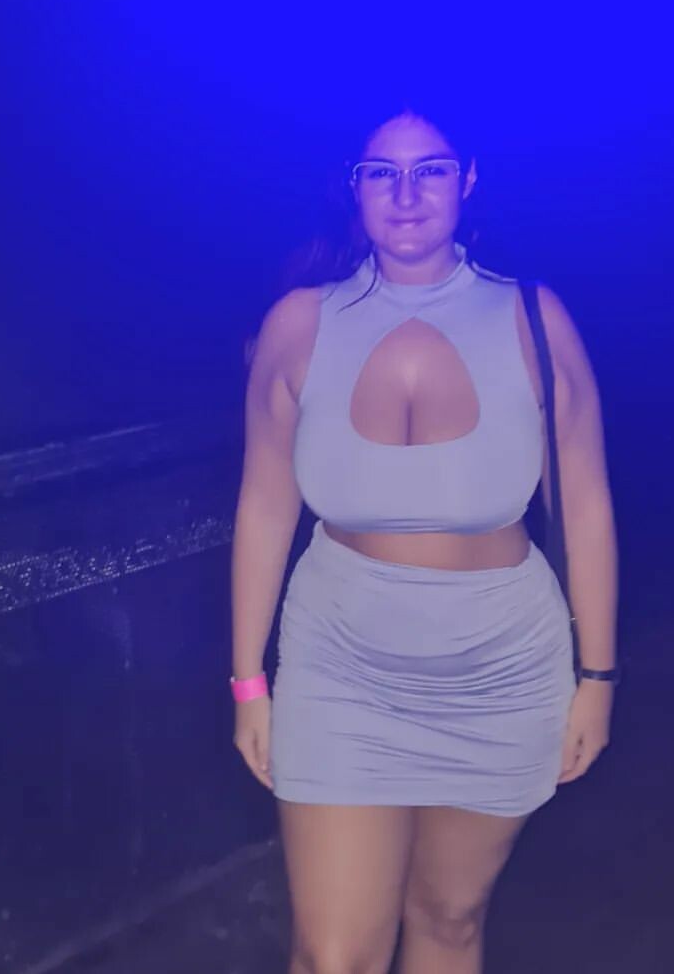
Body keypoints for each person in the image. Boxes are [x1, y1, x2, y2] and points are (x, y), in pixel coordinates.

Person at [230, 105, 619, 974]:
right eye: (382, 173)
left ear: (467, 179)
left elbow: (586, 509)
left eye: (430, 170)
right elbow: (263, 508)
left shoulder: (533, 317)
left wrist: (596, 678)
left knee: (448, 917)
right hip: (341, 664)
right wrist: (249, 682)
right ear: (354, 188)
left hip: (501, 667)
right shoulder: (300, 323)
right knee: (334, 957)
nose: (406, 195)